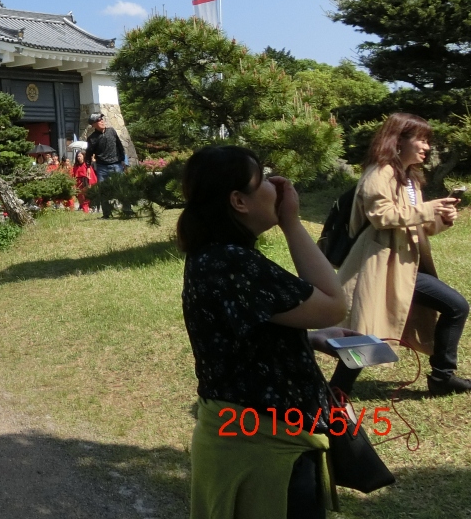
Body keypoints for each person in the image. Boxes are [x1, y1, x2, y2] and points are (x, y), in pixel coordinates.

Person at [178, 145, 349, 519]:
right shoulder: (233, 263)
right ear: (239, 201)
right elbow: (335, 304)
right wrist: (292, 222)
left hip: (247, 440)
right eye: (264, 178)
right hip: (263, 449)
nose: (277, 184)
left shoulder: (217, 255)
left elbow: (243, 329)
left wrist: (308, 339)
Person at [333, 113, 468, 397]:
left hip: (405, 266)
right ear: (398, 141)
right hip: (379, 265)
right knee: (366, 331)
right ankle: (337, 389)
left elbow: (418, 223)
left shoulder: (410, 180)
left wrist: (443, 217)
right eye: (421, 139)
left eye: (427, 141)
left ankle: (443, 376)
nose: (426, 147)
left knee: (455, 306)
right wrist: (430, 208)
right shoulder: (379, 172)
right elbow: (383, 216)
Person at [86, 113, 126, 217]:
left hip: (116, 164)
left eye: (102, 119)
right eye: (99, 120)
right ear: (93, 124)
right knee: (103, 190)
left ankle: (127, 209)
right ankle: (106, 213)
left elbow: (119, 146)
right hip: (102, 167)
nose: (102, 121)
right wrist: (88, 167)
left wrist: (122, 160)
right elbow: (89, 153)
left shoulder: (111, 131)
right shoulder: (92, 138)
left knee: (122, 187)